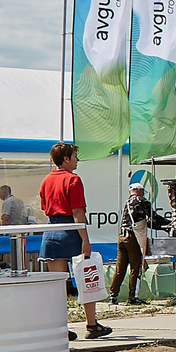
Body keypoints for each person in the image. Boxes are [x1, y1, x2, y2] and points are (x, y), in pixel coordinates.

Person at [38, 141, 111, 340]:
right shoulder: (73, 180)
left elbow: (45, 207)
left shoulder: (46, 180)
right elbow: (78, 211)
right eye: (75, 156)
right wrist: (85, 240)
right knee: (87, 280)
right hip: (71, 229)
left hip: (51, 230)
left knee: (57, 286)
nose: (77, 160)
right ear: (67, 159)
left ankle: (60, 328)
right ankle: (91, 324)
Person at [111, 175, 152, 305]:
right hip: (133, 238)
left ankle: (113, 296)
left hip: (121, 237)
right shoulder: (141, 201)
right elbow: (153, 218)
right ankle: (132, 297)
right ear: (139, 191)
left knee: (120, 268)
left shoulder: (127, 202)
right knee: (136, 267)